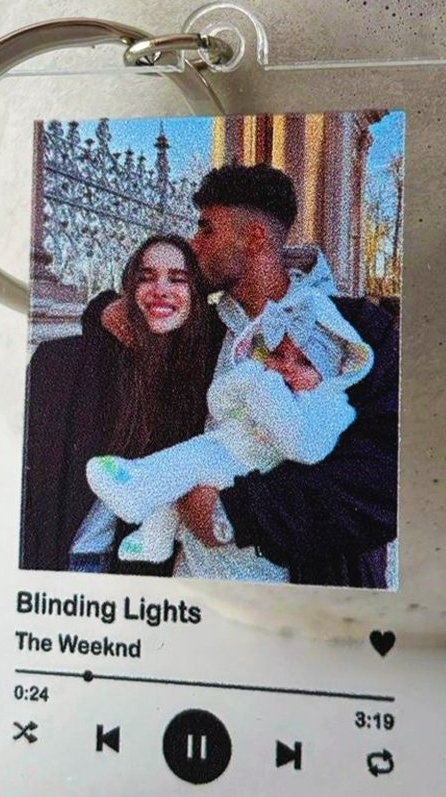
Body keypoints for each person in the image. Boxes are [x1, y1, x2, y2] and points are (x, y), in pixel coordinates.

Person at [169, 161, 400, 588]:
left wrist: (236, 514)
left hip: (303, 605)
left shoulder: (358, 334)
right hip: (190, 594)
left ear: (255, 237)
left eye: (207, 229)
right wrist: (103, 311)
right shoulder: (200, 332)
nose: (194, 244)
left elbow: (388, 480)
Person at [83, 286, 375, 565]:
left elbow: (306, 447)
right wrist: (246, 380)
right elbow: (220, 406)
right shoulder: (261, 381)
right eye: (278, 355)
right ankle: (155, 539)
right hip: (228, 448)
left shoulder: (330, 406)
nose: (287, 367)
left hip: (256, 473)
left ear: (332, 373)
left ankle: (134, 488)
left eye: (305, 363)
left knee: (189, 462)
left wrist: (266, 389)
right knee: (183, 465)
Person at [18, 235, 219, 573]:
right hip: (70, 567)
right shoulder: (69, 364)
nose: (161, 289)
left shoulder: (203, 377)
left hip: (141, 576)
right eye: (146, 277)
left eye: (178, 279)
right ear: (129, 289)